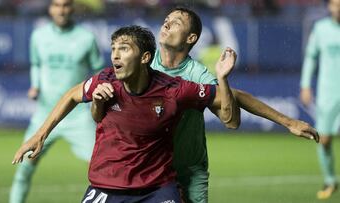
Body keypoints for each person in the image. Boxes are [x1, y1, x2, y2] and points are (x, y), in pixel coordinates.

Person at [12, 25, 243, 202]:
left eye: (123, 49)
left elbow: (232, 99)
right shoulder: (105, 81)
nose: (115, 55)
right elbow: (72, 94)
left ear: (145, 58)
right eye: (113, 49)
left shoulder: (173, 89)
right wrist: (41, 134)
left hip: (157, 189)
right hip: (106, 187)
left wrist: (222, 78)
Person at [149, 6, 320, 203]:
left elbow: (231, 118)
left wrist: (222, 79)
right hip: (151, 169)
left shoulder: (197, 75)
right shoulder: (144, 65)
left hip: (189, 172)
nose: (167, 23)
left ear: (191, 38)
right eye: (167, 19)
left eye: (176, 22)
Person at [9, 0, 104, 202]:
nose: (61, 10)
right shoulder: (39, 36)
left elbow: (99, 71)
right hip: (44, 114)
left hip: (78, 117)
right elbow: (35, 64)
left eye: (66, 5)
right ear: (50, 8)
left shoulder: (86, 38)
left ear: (72, 8)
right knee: (23, 169)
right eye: (57, 5)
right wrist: (35, 85)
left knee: (105, 168)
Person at [300, 0, 340, 199]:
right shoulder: (321, 28)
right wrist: (305, 84)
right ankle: (331, 180)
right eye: (335, 4)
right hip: (328, 92)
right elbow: (310, 57)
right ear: (330, 7)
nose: (338, 8)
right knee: (324, 140)